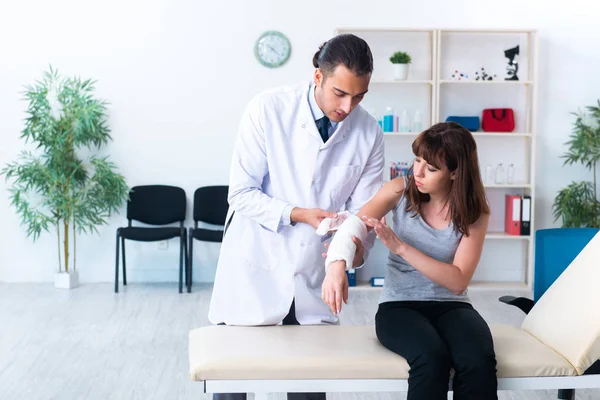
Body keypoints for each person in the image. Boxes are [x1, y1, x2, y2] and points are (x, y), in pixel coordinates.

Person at [208, 33, 384, 400]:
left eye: (360, 95)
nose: (349, 106)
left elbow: (363, 215)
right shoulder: (268, 109)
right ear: (318, 76)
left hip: (314, 276)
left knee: (309, 386)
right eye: (340, 93)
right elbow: (241, 194)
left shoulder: (369, 132)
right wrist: (298, 214)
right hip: (255, 268)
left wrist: (345, 255)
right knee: (235, 384)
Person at [322, 121, 498, 400]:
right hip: (398, 306)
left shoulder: (475, 212)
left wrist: (400, 247)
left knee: (478, 362)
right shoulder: (399, 190)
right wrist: (336, 265)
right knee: (431, 358)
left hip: (452, 306)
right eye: (417, 160)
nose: (417, 172)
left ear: (455, 173)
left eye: (431, 168)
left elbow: (458, 280)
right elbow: (354, 225)